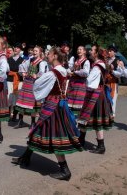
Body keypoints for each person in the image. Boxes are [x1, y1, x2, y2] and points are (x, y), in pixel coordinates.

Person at [11, 46, 82, 180]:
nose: (47, 55)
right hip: (59, 104)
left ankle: (65, 169)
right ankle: (25, 158)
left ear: (55, 56)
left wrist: (38, 88)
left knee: (54, 136)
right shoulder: (63, 70)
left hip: (52, 106)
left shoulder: (53, 73)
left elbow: (37, 84)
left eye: (49, 54)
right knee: (38, 130)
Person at [77, 44, 113, 154]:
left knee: (97, 120)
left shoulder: (97, 66)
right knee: (85, 117)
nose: (90, 52)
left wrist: (78, 75)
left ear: (96, 53)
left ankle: (101, 146)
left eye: (92, 50)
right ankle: (81, 141)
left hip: (95, 95)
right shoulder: (98, 64)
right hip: (95, 93)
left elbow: (89, 80)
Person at [14, 46, 48, 129]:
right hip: (27, 83)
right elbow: (22, 66)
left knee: (33, 104)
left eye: (36, 51)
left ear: (40, 52)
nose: (34, 52)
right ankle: (20, 120)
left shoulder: (42, 62)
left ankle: (33, 122)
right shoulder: (30, 59)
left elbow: (42, 72)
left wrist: (36, 75)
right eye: (34, 51)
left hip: (34, 84)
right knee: (22, 101)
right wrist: (23, 73)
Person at [66, 46, 90, 118]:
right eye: (78, 49)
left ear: (84, 52)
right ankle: (71, 121)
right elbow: (70, 69)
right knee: (70, 103)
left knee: (78, 103)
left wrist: (75, 72)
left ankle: (76, 122)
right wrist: (69, 71)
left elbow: (86, 73)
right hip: (72, 84)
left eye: (80, 49)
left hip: (80, 84)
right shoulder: (75, 60)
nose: (78, 51)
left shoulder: (86, 61)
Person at [7, 43, 24, 122]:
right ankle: (8, 114)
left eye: (18, 48)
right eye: (15, 48)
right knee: (9, 97)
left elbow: (24, 70)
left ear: (20, 50)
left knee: (17, 97)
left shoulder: (22, 60)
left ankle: (15, 115)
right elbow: (6, 69)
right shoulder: (9, 59)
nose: (16, 49)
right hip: (10, 79)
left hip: (19, 80)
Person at [106, 45, 122, 118]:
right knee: (106, 99)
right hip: (106, 83)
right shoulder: (106, 60)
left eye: (110, 51)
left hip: (113, 83)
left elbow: (120, 74)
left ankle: (112, 116)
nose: (109, 52)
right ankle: (106, 115)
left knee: (113, 99)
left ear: (114, 52)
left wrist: (112, 71)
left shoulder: (118, 61)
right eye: (108, 51)